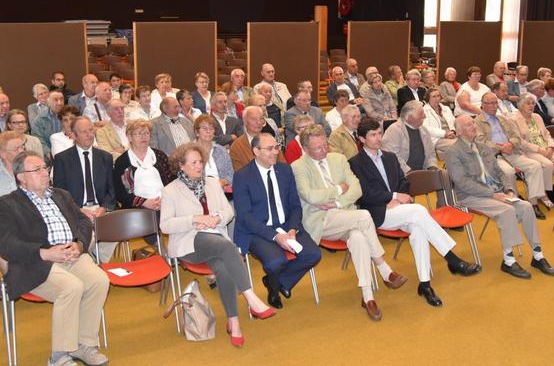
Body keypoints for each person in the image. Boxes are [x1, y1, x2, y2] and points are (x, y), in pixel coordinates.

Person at [0, 151, 110, 366]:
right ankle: (59, 356)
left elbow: (83, 222)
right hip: (35, 263)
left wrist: (79, 244)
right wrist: (44, 252)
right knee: (71, 287)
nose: (44, 173)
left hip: (71, 255)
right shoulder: (6, 204)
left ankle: (84, 344)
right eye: (36, 170)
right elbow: (7, 245)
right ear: (21, 177)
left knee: (99, 280)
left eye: (45, 168)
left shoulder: (61, 194)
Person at [349, 119, 480, 307]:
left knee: (419, 229)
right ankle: (452, 259)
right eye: (373, 135)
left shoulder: (389, 157)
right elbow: (364, 194)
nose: (378, 138)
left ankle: (425, 284)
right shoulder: (355, 163)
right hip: (378, 213)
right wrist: (392, 197)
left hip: (401, 211)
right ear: (362, 139)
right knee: (419, 211)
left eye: (379, 133)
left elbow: (404, 182)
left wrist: (401, 196)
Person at [162, 143, 275, 347]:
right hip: (189, 242)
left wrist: (217, 218)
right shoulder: (171, 191)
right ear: (181, 165)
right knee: (226, 247)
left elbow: (229, 212)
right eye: (194, 162)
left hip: (216, 237)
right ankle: (251, 298)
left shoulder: (212, 184)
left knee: (223, 268)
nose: (199, 166)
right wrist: (194, 219)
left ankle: (234, 323)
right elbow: (165, 225)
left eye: (201, 162)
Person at [291, 125, 407, 321]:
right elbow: (310, 195)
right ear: (306, 149)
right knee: (363, 216)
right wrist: (338, 189)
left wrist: (336, 202)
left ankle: (368, 296)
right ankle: (384, 268)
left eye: (324, 145)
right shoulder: (298, 166)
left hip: (345, 215)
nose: (323, 150)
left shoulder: (338, 158)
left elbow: (357, 189)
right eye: (317, 148)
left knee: (359, 238)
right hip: (321, 221)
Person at [445, 116, 554, 279]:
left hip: (496, 192)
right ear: (459, 131)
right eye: (468, 125)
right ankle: (508, 261)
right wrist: (493, 194)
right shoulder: (453, 152)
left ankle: (538, 255)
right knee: (506, 211)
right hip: (471, 195)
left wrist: (509, 189)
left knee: (525, 207)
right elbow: (462, 183)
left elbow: (499, 172)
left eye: (473, 123)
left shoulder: (483, 147)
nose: (473, 126)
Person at [233, 133, 321, 310]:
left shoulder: (285, 170)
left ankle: (275, 282)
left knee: (313, 254)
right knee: (275, 262)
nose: (275, 152)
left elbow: (295, 205)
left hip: (287, 226)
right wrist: (275, 236)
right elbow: (245, 216)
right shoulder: (242, 176)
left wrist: (293, 229)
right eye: (269, 149)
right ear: (256, 151)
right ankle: (275, 287)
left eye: (276, 147)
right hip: (259, 230)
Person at [475, 92, 552, 219]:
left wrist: (510, 144)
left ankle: (533, 203)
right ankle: (515, 203)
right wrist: (501, 147)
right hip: (495, 155)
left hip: (511, 151)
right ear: (483, 105)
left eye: (496, 103)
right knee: (509, 172)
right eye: (491, 103)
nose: (495, 106)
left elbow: (517, 136)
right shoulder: (478, 122)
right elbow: (481, 141)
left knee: (535, 165)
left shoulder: (503, 119)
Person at [52, 117, 117, 262]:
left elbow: (111, 190)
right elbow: (59, 194)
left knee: (116, 229)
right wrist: (79, 210)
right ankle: (92, 263)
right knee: (89, 237)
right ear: (73, 136)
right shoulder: (62, 159)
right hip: (77, 209)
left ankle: (98, 262)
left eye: (91, 130)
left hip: (100, 208)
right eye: (83, 132)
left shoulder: (105, 157)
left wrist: (104, 208)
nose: (89, 135)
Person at [512, 94, 554, 201]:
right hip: (529, 151)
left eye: (533, 103)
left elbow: (547, 134)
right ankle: (544, 193)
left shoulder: (537, 117)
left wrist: (550, 147)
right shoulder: (514, 119)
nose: (531, 106)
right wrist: (539, 150)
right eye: (528, 103)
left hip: (546, 149)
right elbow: (520, 141)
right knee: (548, 164)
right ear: (521, 105)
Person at [113, 119, 172, 211]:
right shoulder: (122, 161)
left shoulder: (160, 156)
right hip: (136, 211)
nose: (143, 137)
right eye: (139, 133)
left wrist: (165, 201)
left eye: (146, 133)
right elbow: (120, 192)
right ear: (129, 137)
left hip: (165, 205)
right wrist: (144, 202)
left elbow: (171, 181)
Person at [382, 101, 438, 174]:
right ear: (409, 117)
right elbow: (392, 157)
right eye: (421, 114)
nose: (425, 116)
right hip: (402, 175)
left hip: (423, 172)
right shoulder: (394, 130)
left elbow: (431, 153)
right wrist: (410, 172)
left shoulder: (424, 130)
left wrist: (432, 167)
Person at [229, 106, 285, 171]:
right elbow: (239, 173)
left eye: (261, 118)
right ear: (245, 121)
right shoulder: (237, 147)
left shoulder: (270, 140)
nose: (258, 122)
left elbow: (282, 165)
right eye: (254, 119)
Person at [194, 115, 234, 187]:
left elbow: (231, 174)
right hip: (199, 191)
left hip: (221, 191)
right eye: (204, 128)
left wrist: (223, 182)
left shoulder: (221, 150)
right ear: (197, 132)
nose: (208, 131)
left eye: (211, 128)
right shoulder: (190, 152)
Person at [422, 88, 457, 155]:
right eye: (434, 96)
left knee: (468, 143)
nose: (437, 98)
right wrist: (444, 134)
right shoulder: (424, 110)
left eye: (438, 96)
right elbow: (426, 129)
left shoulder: (446, 108)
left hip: (451, 136)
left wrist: (453, 132)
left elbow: (454, 123)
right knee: (458, 146)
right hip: (437, 138)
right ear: (428, 99)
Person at [32, 90, 65, 159]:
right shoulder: (39, 119)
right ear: (48, 102)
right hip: (48, 156)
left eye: (61, 99)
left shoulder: (69, 116)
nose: (59, 103)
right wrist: (49, 153)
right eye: (55, 100)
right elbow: (39, 139)